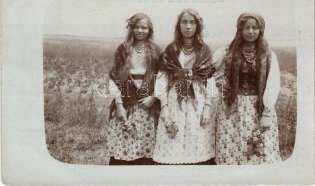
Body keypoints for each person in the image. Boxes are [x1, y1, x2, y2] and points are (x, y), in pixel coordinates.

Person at [213, 13, 282, 164]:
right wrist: (222, 84)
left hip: (258, 108)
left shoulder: (268, 55)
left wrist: (267, 113)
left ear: (261, 30)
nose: (251, 31)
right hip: (231, 107)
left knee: (257, 151)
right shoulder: (227, 52)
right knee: (232, 149)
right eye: (247, 28)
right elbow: (211, 70)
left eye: (255, 28)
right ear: (240, 29)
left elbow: (273, 83)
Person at [153, 9, 216, 164]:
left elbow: (210, 79)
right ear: (179, 25)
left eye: (192, 22)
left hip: (198, 101)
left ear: (198, 26)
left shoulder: (204, 50)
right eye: (184, 22)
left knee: (196, 138)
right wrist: (164, 106)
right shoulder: (171, 50)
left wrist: (208, 106)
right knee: (172, 136)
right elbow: (162, 77)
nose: (188, 26)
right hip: (175, 100)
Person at [106, 13, 162, 165]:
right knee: (124, 143)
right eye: (136, 27)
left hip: (147, 105)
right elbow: (114, 76)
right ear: (131, 29)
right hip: (126, 103)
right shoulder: (123, 48)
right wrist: (118, 105)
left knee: (145, 146)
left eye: (144, 27)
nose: (140, 31)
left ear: (149, 30)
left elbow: (163, 77)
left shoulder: (156, 50)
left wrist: (154, 97)